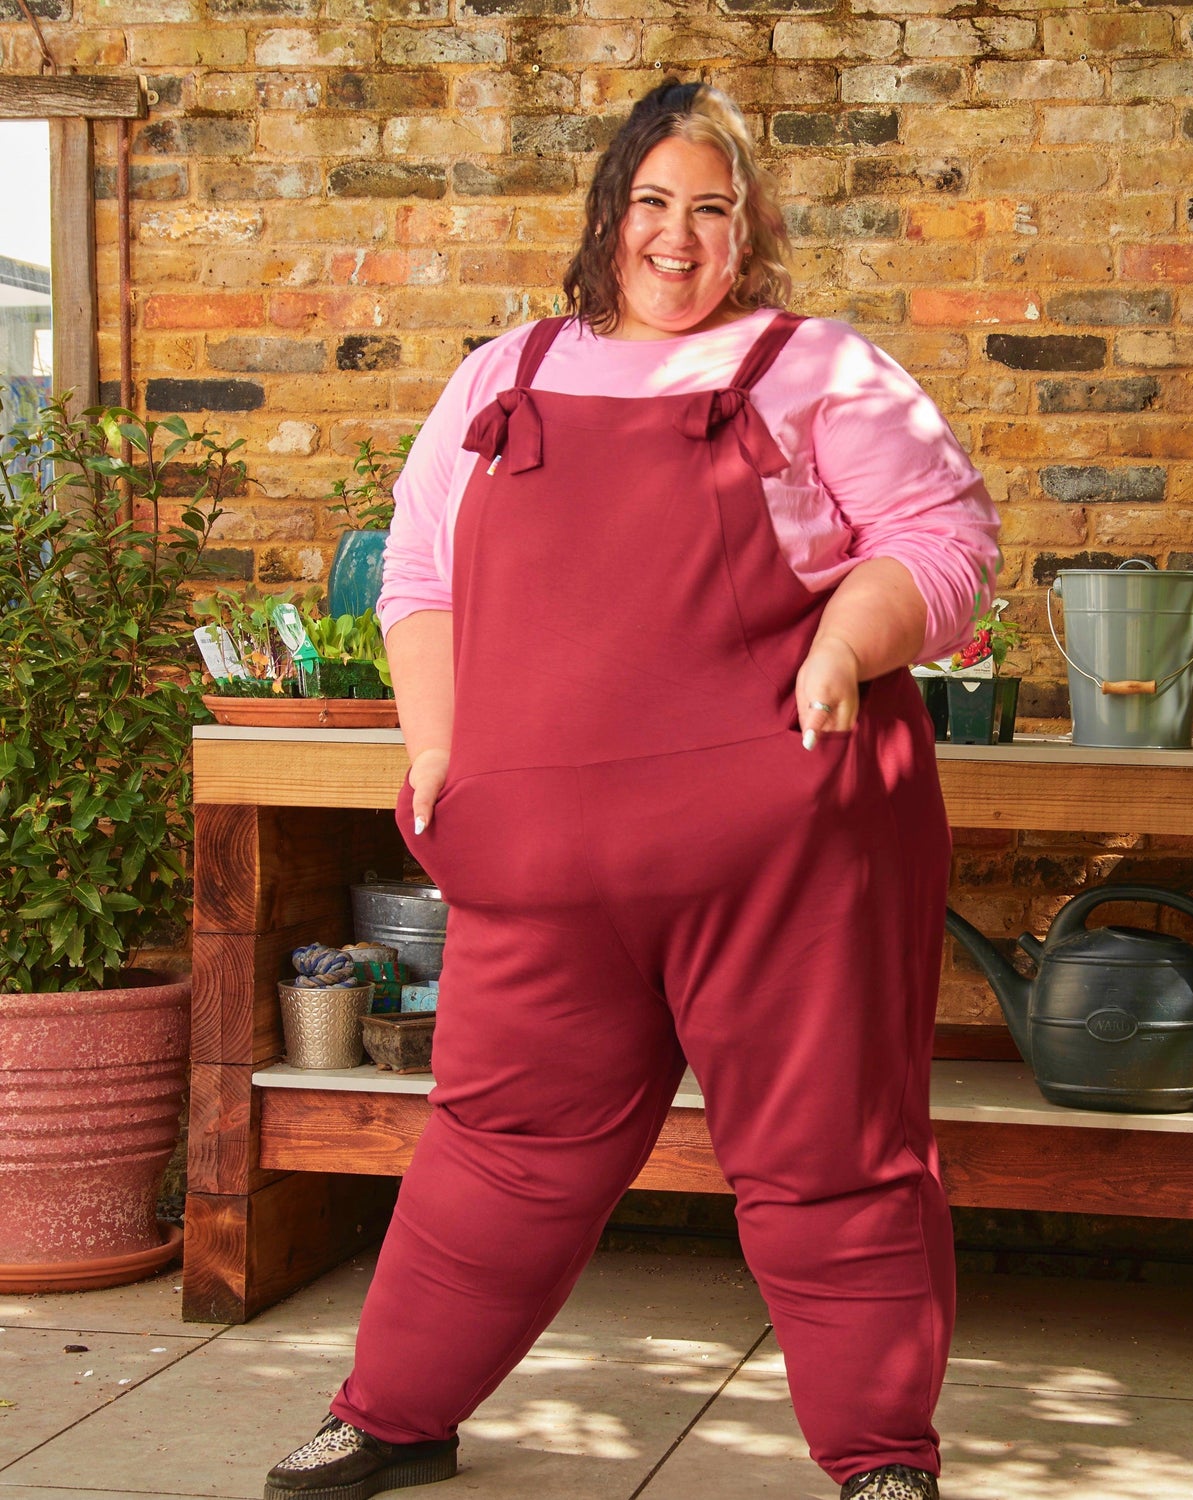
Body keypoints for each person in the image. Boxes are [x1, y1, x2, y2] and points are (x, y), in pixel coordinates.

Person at [264, 80, 999, 1500]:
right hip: (543, 875)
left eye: (712, 211)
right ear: (610, 218)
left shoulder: (818, 369)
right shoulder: (501, 378)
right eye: (654, 205)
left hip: (786, 863)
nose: (678, 239)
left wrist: (850, 643)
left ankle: (880, 1464)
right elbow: (419, 578)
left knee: (831, 1160)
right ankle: (395, 1414)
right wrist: (436, 752)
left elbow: (945, 538)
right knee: (496, 1153)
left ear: (751, 230)